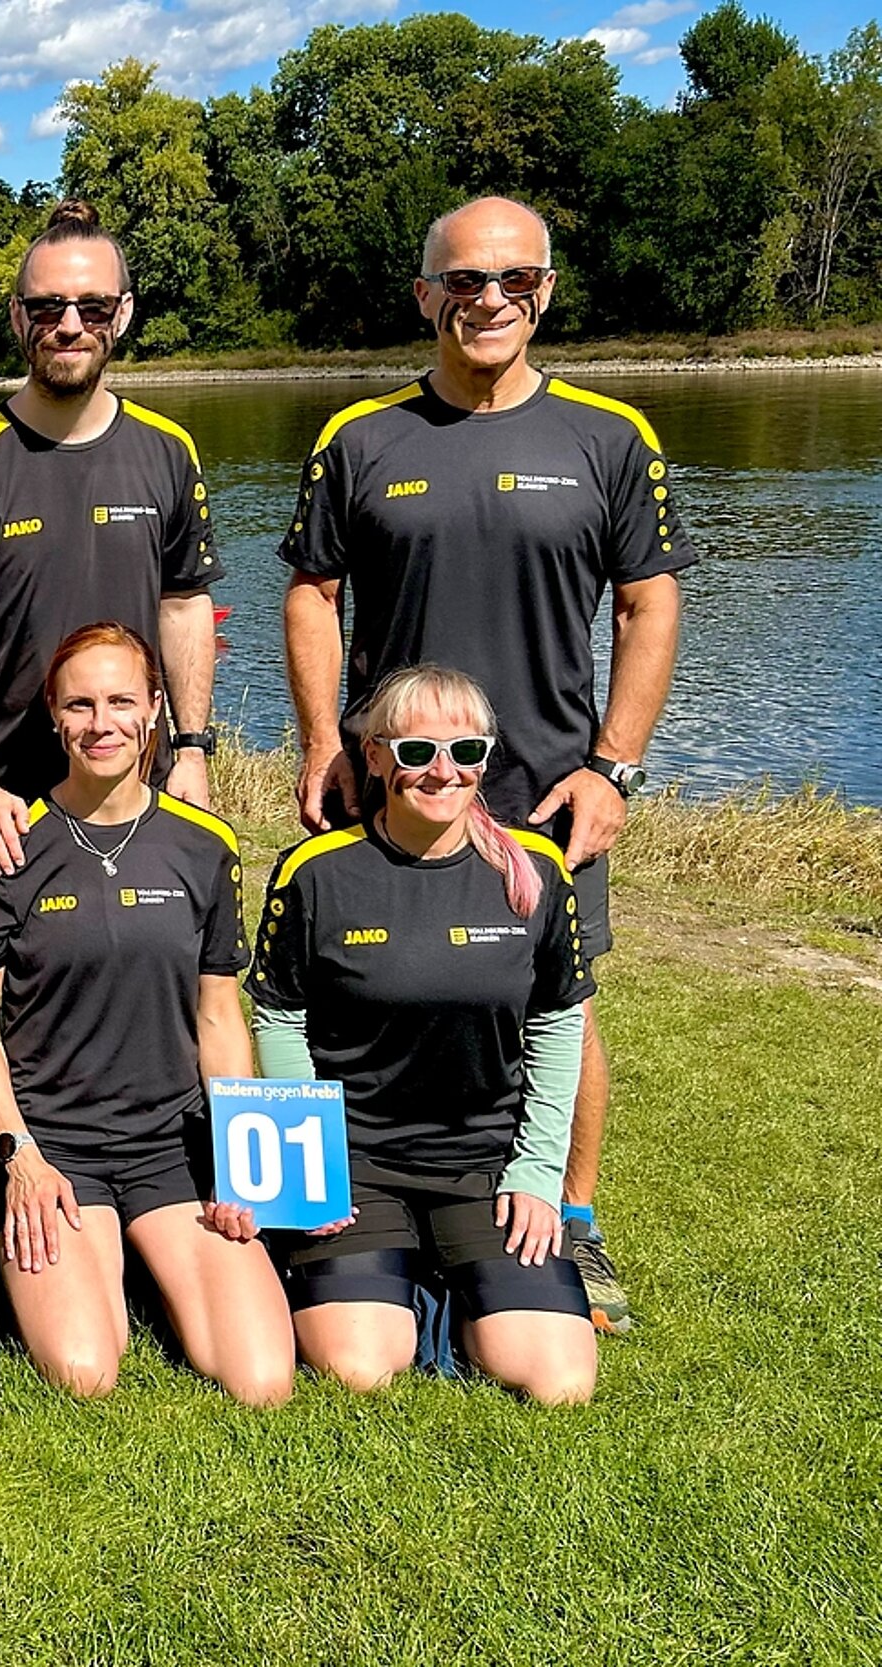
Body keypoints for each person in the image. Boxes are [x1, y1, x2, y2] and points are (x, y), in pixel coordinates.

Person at [279, 195, 694, 1332]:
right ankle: (347, 1209)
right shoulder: (359, 439)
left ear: (546, 291)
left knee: (563, 1000)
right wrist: (326, 741)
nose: (489, 299)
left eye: (514, 279)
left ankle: (570, 1219)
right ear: (426, 295)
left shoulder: (609, 437)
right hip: (388, 775)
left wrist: (614, 766)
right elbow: (311, 595)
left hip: (541, 785)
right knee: (345, 991)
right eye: (464, 280)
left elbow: (649, 605)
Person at [0, 625, 293, 1406]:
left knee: (263, 1379)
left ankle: (147, 1260)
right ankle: (96, 1261)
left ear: (153, 710)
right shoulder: (13, 847)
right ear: (54, 714)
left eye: (119, 700)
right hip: (56, 1147)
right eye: (79, 703)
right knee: (86, 1371)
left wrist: (240, 1160)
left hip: (172, 1148)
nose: (100, 721)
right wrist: (19, 1155)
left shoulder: (205, 845)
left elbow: (219, 1014)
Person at [248, 664, 598, 1405]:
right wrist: (310, 1172)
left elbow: (559, 1022)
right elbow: (280, 1016)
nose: (444, 771)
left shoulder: (536, 870)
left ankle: (443, 1276)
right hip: (357, 1163)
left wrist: (538, 1174)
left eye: (467, 750)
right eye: (416, 752)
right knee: (359, 1369)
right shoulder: (315, 872)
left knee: (559, 1380)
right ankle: (413, 1281)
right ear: (374, 756)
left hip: (485, 1165)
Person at [0, 199, 223, 896]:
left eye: (94, 307)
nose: (71, 326)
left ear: (125, 313)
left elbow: (183, 607)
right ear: (20, 317)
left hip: (139, 793)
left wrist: (195, 752)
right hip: (4, 807)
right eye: (49, 308)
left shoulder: (169, 452)